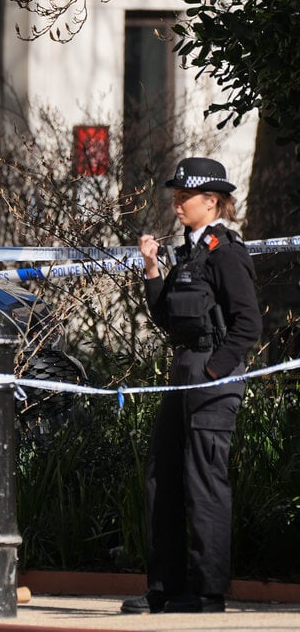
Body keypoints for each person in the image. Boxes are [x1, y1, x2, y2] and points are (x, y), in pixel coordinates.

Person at [121, 157, 262, 614]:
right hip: (183, 372)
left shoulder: (227, 252)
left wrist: (214, 372)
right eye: (176, 197)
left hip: (211, 375)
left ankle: (206, 591)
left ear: (212, 201)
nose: (177, 204)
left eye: (185, 197)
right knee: (161, 477)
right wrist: (151, 269)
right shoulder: (188, 253)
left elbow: (247, 325)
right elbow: (167, 318)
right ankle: (164, 586)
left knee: (205, 482)